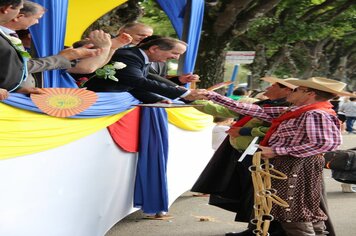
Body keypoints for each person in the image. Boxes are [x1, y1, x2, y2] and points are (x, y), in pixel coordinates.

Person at [204, 77, 353, 236]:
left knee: (292, 211)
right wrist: (212, 96)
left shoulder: (315, 113)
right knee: (303, 209)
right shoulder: (299, 111)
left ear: (309, 93)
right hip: (293, 165)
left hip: (296, 166)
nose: (292, 91)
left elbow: (325, 144)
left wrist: (277, 151)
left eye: (297, 89)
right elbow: (256, 110)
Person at [0, 0, 103, 94]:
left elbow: (19, 66)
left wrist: (21, 89)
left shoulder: (11, 36)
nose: (36, 23)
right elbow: (23, 66)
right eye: (37, 18)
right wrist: (64, 58)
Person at [85, 37, 207, 103]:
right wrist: (184, 93)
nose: (176, 58)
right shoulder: (128, 56)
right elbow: (137, 82)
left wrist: (157, 99)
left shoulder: (142, 58)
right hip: (96, 99)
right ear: (154, 49)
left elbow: (133, 85)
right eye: (175, 53)